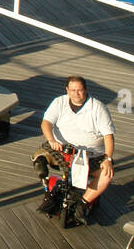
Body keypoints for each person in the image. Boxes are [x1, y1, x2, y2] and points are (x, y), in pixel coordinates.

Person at [33, 75, 115, 224]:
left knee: (107, 174)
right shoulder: (59, 102)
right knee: (39, 160)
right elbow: (46, 123)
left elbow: (109, 136)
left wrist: (108, 159)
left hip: (90, 155)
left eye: (80, 90)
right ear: (67, 90)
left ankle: (83, 204)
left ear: (86, 90)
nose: (76, 94)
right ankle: (48, 193)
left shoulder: (98, 108)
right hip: (61, 149)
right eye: (73, 90)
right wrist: (52, 140)